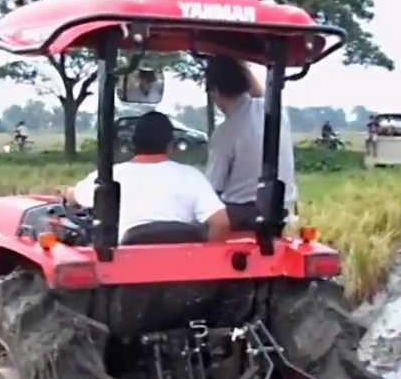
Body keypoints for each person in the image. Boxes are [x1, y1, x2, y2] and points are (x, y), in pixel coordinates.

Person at [63, 112, 230, 241]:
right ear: (170, 145)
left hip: (124, 270)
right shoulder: (192, 177)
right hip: (184, 274)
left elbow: (73, 196)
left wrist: (67, 193)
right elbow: (221, 223)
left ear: (133, 144)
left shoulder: (109, 176)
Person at [205, 56, 297, 231]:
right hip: (283, 210)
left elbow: (212, 189)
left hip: (241, 216)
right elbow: (260, 93)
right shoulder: (277, 113)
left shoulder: (225, 132)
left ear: (214, 91)